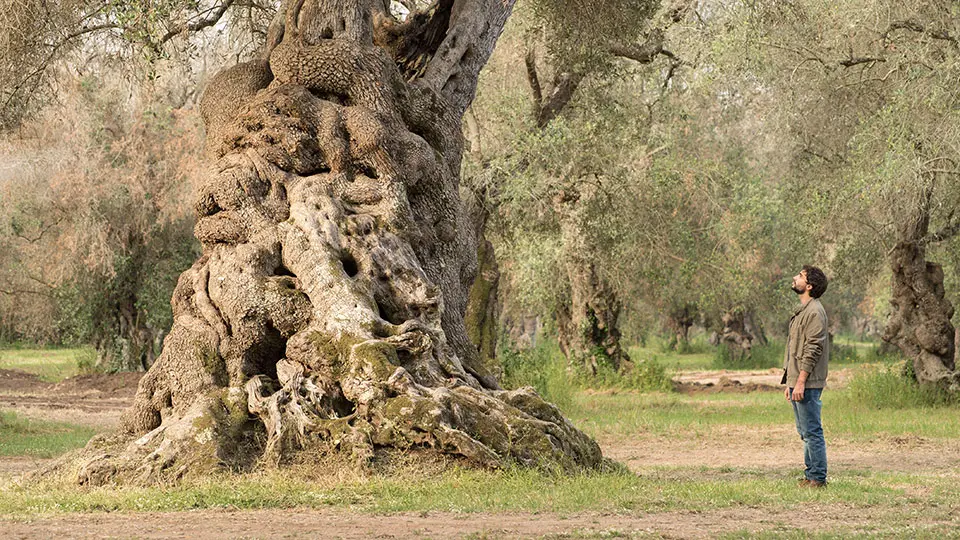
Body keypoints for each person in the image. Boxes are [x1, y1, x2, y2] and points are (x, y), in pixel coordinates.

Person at [781, 265, 829, 487]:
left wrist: (800, 382)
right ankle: (810, 474)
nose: (794, 277)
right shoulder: (803, 311)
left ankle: (818, 478)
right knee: (804, 432)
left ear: (809, 286)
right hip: (798, 381)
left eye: (799, 276)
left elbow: (813, 349)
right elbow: (793, 349)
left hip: (807, 382)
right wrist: (789, 381)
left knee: (812, 431)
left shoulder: (814, 312)